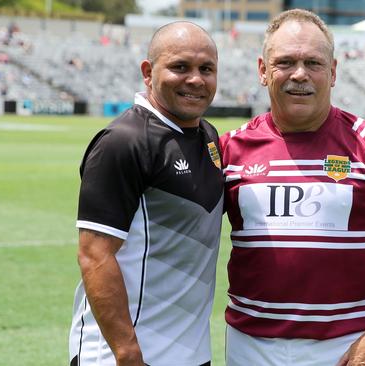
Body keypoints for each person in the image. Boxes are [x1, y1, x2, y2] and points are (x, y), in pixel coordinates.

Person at [219, 9, 365, 366]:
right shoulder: (230, 149)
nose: (299, 74)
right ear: (262, 70)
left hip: (345, 347)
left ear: (332, 72)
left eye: (313, 63)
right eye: (285, 62)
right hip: (249, 345)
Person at [68, 21, 223, 366]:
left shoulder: (209, 136)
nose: (195, 79)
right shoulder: (124, 142)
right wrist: (126, 352)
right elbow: (94, 255)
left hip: (191, 353)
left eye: (206, 69)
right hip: (124, 355)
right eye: (180, 67)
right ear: (148, 72)